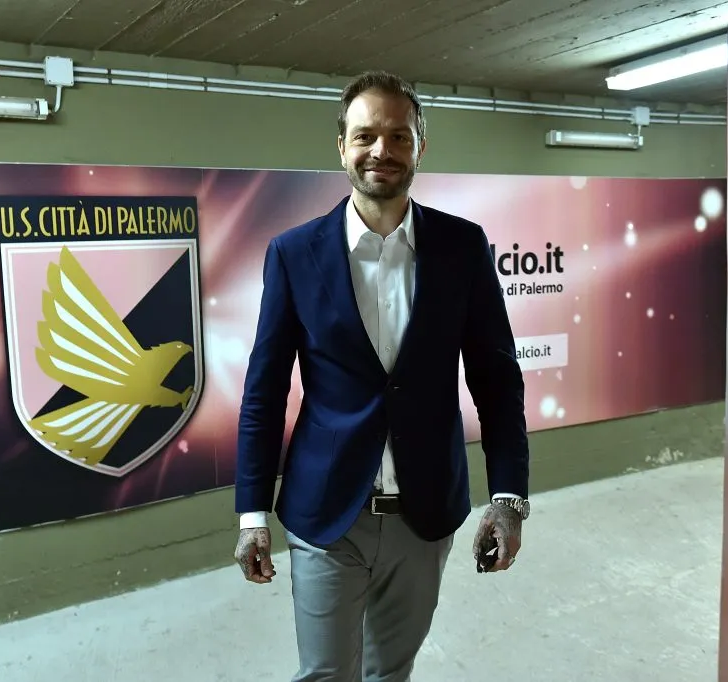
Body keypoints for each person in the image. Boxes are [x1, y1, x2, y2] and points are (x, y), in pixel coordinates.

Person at [232, 70, 531, 682]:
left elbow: (497, 382)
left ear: (421, 146)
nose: (382, 151)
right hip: (325, 513)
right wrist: (251, 515)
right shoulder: (293, 254)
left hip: (424, 515)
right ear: (340, 145)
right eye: (365, 135)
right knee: (324, 675)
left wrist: (508, 499)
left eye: (399, 137)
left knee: (391, 671)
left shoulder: (462, 247)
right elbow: (264, 391)